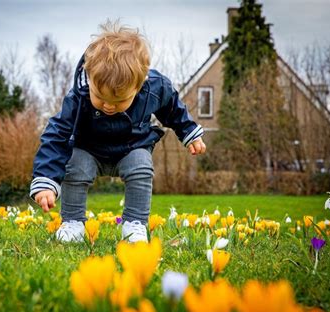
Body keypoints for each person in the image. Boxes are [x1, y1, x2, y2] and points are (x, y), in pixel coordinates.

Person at [30, 21, 206, 243]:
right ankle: (73, 222)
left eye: (119, 100)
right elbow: (57, 134)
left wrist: (189, 131)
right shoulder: (78, 98)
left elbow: (172, 108)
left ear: (139, 85)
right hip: (89, 150)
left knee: (142, 166)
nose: (109, 106)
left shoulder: (155, 88)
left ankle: (134, 224)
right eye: (100, 98)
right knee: (74, 166)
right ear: (90, 77)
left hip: (132, 147)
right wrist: (46, 178)